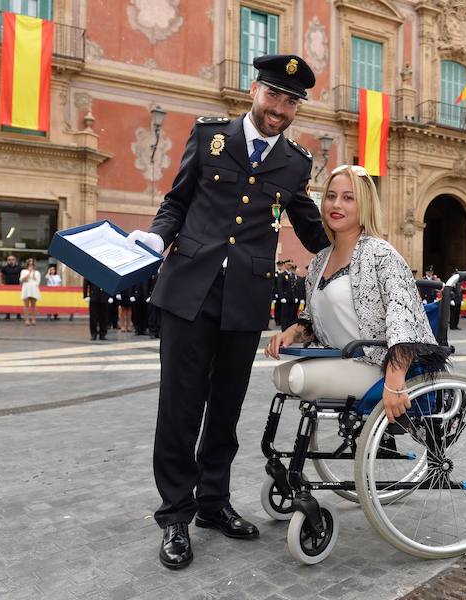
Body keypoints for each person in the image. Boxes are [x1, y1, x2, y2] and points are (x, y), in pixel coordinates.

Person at [123, 54, 328, 571]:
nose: (280, 109)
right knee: (180, 407)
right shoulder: (211, 135)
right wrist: (156, 235)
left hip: (243, 298)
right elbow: (177, 200)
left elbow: (309, 226)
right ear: (254, 91)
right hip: (188, 292)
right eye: (274, 96)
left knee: (227, 409)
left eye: (292, 101)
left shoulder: (296, 164)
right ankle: (176, 514)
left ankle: (213, 503)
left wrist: (356, 254)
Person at [265, 163, 447, 419]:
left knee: (294, 377)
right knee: (282, 376)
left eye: (348, 198)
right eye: (331, 196)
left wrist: (394, 381)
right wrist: (293, 332)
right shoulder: (320, 260)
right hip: (339, 358)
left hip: (377, 365)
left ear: (365, 206)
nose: (336, 205)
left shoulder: (381, 254)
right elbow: (314, 319)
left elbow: (405, 320)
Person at [0, 255, 23, 320]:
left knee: (18, 301)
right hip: (8, 287)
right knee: (8, 301)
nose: (11, 261)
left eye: (12, 259)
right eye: (9, 259)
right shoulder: (5, 268)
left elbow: (23, 276)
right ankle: (7, 315)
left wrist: (22, 284)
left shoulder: (19, 268)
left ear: (15, 260)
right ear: (7, 261)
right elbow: (0, 274)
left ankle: (18, 315)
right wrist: (0, 283)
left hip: (17, 286)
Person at [19, 257, 41, 326]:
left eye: (32, 264)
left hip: (34, 288)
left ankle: (33, 319)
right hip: (26, 287)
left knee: (33, 305)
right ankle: (27, 320)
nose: (31, 265)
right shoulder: (23, 271)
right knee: (26, 305)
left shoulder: (37, 272)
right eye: (29, 264)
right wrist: (29, 273)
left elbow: (38, 281)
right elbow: (21, 280)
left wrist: (33, 274)